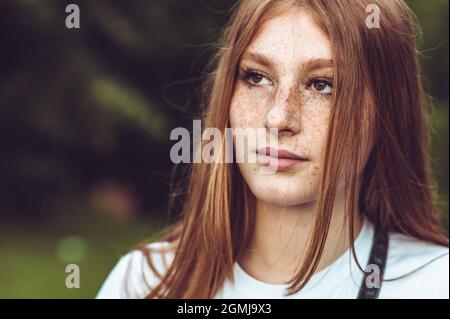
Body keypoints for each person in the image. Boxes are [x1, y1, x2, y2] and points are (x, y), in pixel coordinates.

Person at [97, 0, 449, 299]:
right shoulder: (146, 283)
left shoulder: (434, 283)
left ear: (387, 112)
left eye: (322, 85)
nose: (278, 117)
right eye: (256, 77)